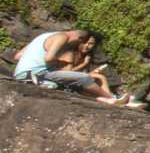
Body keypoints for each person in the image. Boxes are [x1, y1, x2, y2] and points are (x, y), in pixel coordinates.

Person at [8, 30, 137, 106]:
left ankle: (108, 99)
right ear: (79, 38)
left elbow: (18, 56)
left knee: (76, 83)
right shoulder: (62, 37)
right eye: (84, 42)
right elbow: (48, 58)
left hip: (23, 73)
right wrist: (60, 61)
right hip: (35, 74)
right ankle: (112, 98)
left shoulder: (44, 35)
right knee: (84, 78)